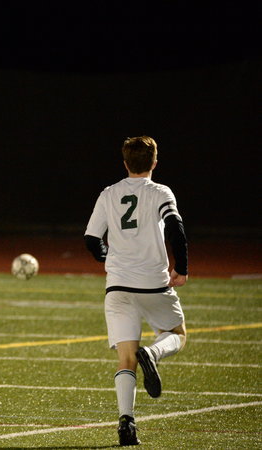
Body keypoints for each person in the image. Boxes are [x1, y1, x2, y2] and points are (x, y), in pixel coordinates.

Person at [84, 136, 188, 446]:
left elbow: (92, 239)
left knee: (125, 358)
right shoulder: (160, 192)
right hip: (153, 283)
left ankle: (126, 423)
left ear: (125, 163)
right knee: (177, 334)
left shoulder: (109, 193)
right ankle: (154, 352)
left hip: (118, 285)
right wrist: (181, 268)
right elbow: (176, 228)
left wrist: (110, 258)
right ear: (154, 162)